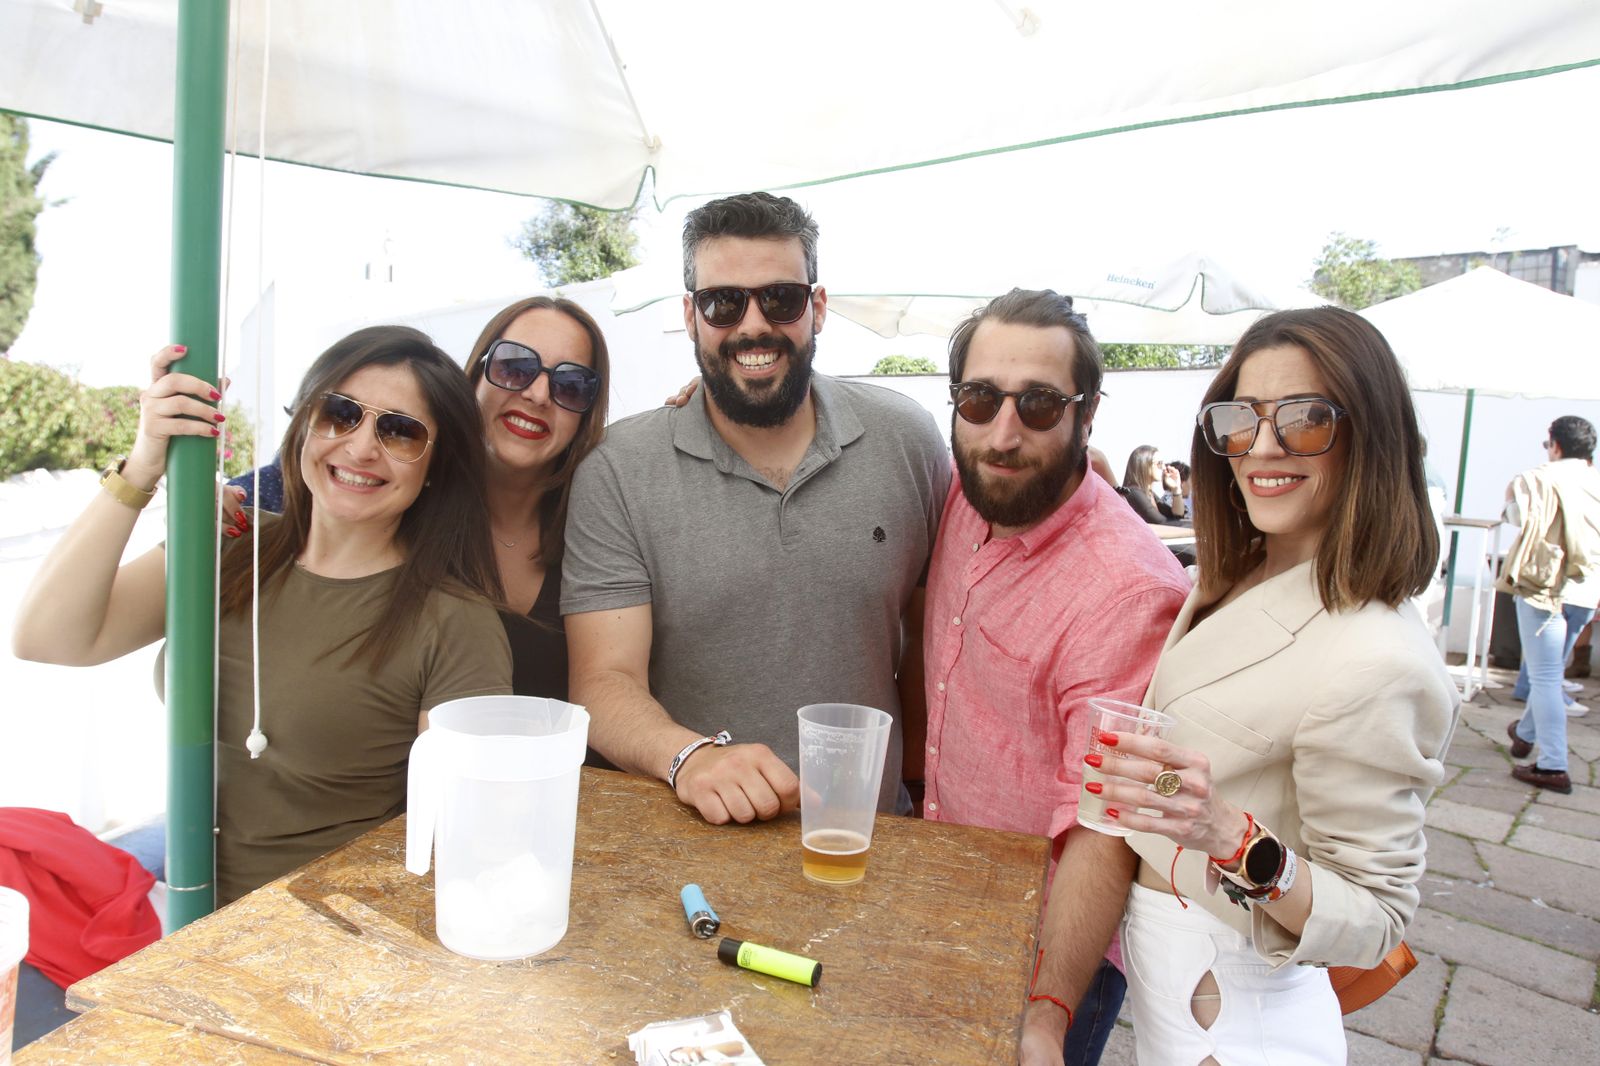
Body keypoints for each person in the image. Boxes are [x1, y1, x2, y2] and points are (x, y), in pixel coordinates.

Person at [12, 327, 513, 904]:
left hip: (325, 943)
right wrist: (144, 467)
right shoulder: (232, 543)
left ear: (437, 465)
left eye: (401, 431)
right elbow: (47, 638)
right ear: (303, 423)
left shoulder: (455, 621)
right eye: (341, 413)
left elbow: (462, 844)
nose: (361, 446)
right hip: (188, 913)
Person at [1093, 307, 1459, 1064]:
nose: (1262, 446)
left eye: (1304, 418)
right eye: (1241, 419)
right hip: (1165, 996)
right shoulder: (1227, 577)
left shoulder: (1378, 655)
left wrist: (1230, 835)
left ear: (1373, 435)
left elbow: (1376, 916)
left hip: (1237, 1026)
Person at [563, 192, 950, 824]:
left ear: (816, 308)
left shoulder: (906, 441)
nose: (751, 326)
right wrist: (689, 757)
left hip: (868, 838)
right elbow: (603, 681)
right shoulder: (619, 469)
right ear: (691, 316)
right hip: (692, 837)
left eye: (780, 299)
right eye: (723, 303)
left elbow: (935, 644)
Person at [921, 290, 1189, 1066]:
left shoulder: (1126, 590)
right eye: (979, 399)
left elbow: (1101, 821)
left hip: (1043, 944)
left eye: (1039, 406)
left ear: (1087, 411)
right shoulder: (970, 489)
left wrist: (1046, 1007)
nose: (1003, 434)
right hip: (940, 889)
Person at [461, 296, 609, 707]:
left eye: (571, 384)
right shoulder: (412, 506)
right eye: (515, 366)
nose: (539, 394)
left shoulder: (607, 528)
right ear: (476, 374)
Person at [1501, 415, 1600, 793]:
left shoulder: (1541, 478)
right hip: (1587, 590)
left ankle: (1553, 764)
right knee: (1550, 671)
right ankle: (1525, 733)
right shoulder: (1594, 480)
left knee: (1544, 678)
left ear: (1555, 444)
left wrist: (1511, 495)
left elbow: (1518, 517)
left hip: (1548, 589)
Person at [1118, 444, 1188, 525]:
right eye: (1159, 463)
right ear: (1145, 465)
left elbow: (1177, 516)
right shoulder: (1133, 492)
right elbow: (1161, 522)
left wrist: (1176, 489)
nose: (1164, 468)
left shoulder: (1149, 493)